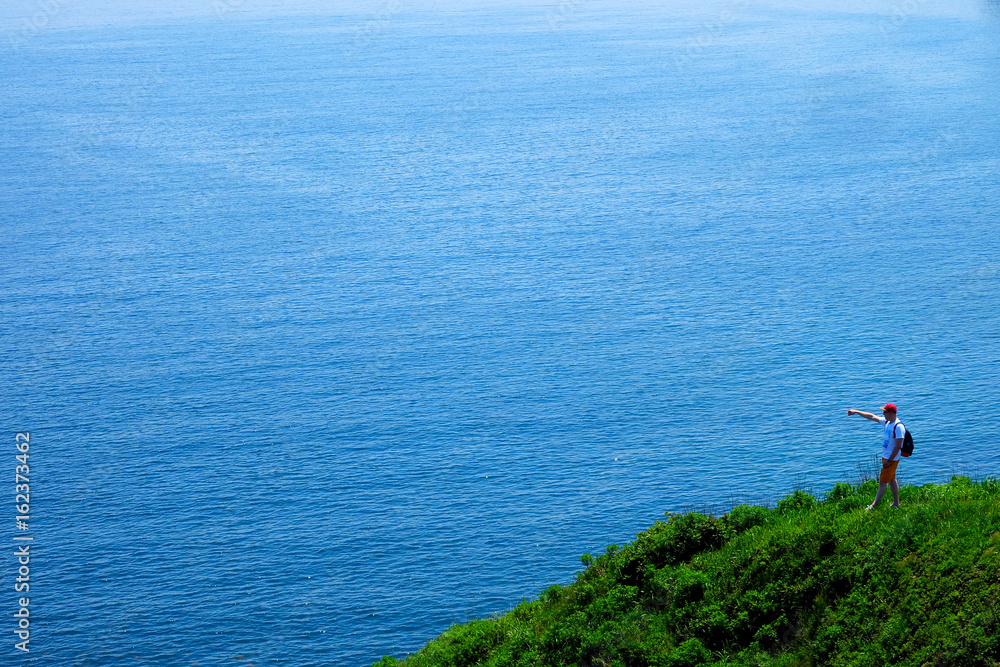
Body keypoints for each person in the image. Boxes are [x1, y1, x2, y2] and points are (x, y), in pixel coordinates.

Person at [846, 403, 906, 509]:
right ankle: (896, 504)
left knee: (882, 482)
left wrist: (889, 461)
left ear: (891, 413)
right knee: (892, 480)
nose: (883, 414)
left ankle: (874, 506)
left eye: (885, 412)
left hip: (891, 459)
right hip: (886, 457)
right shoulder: (887, 422)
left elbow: (898, 446)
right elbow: (872, 416)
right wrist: (856, 411)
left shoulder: (898, 427)